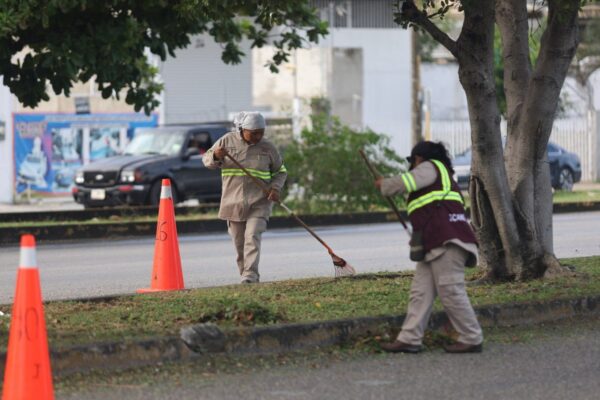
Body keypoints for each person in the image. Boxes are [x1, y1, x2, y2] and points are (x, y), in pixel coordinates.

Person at [375, 141, 483, 354]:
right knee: (420, 294)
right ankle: (410, 338)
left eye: (412, 160)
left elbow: (408, 181)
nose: (412, 165)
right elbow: (430, 213)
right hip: (436, 243)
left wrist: (384, 185)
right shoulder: (441, 178)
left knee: (451, 291)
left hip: (448, 242)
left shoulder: (430, 166)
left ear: (419, 158)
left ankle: (472, 337)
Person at [202, 111, 287, 284]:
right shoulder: (227, 141)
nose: (258, 136)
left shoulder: (268, 147)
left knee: (252, 236)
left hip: (259, 202)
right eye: (254, 133)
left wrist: (275, 188)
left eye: (261, 132)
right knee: (239, 244)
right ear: (242, 129)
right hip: (232, 203)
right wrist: (215, 156)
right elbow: (206, 160)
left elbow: (281, 172)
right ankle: (246, 276)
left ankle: (250, 275)